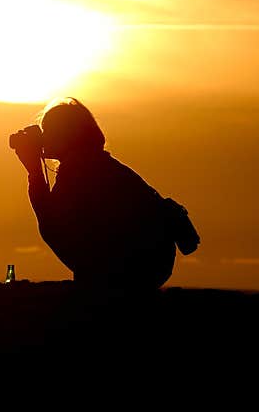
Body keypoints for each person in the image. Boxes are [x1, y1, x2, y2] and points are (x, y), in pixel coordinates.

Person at [11, 98, 175, 292]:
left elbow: (51, 221)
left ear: (67, 135)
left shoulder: (82, 169)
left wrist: (35, 171)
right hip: (151, 264)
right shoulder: (97, 163)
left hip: (132, 267)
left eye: (48, 131)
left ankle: (101, 288)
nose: (43, 137)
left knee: (53, 226)